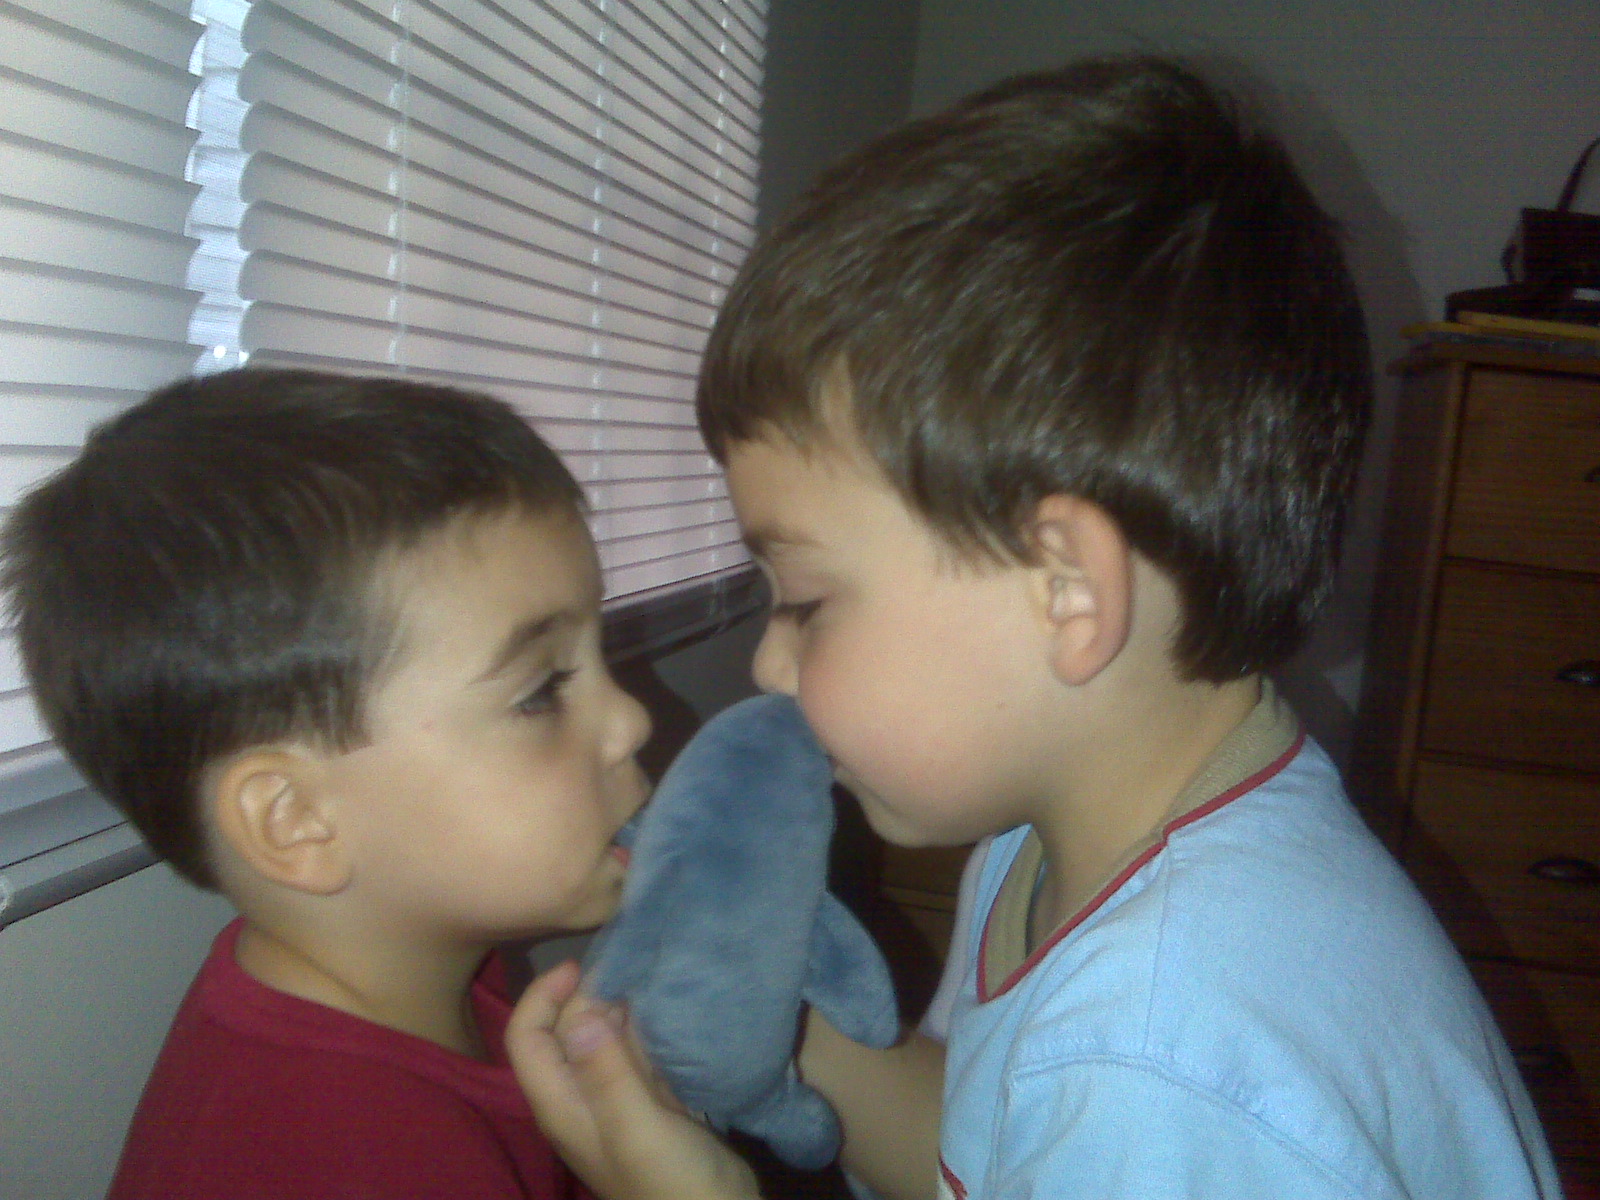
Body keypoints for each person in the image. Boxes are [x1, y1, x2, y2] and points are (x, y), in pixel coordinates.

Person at [508, 57, 1562, 1200]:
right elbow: (991, 1141)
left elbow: (1082, 1101)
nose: (771, 662)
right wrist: (766, 1032)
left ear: (1067, 590)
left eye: (805, 600)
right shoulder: (1065, 836)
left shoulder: (1158, 1070)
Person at [1, 368, 653, 1199]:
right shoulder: (353, 1159)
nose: (631, 720)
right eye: (541, 690)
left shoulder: (414, 968)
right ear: (296, 820)